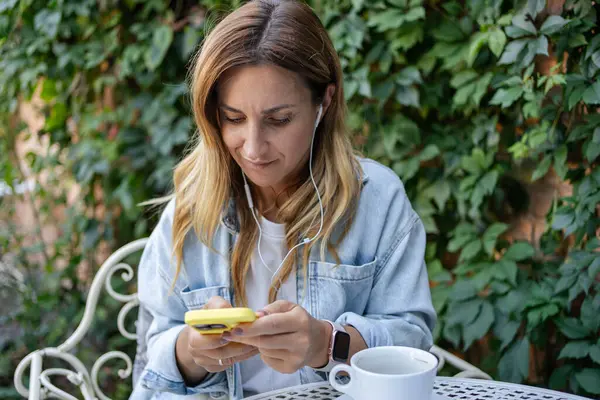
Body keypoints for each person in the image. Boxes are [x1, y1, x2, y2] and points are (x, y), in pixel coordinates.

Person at [130, 0, 436, 399]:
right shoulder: (191, 210)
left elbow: (411, 342)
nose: (253, 148)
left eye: (278, 120)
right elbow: (152, 357)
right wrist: (193, 350)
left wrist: (323, 343)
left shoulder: (375, 200)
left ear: (323, 102)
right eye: (234, 118)